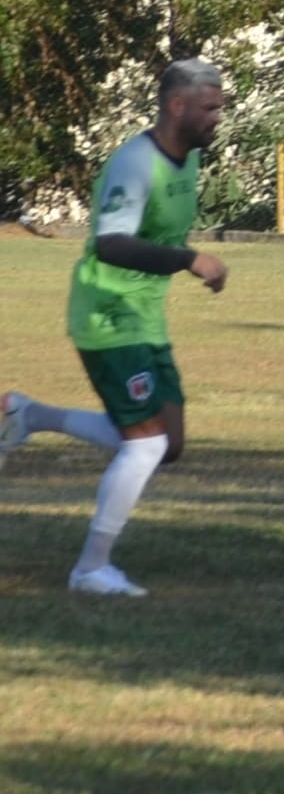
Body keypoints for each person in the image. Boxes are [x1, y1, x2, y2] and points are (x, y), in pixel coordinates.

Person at [0, 59, 231, 596]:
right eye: (209, 107)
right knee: (145, 445)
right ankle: (91, 569)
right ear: (177, 105)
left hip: (145, 317)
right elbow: (110, 243)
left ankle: (27, 415)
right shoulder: (135, 163)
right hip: (107, 314)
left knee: (167, 443)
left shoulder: (188, 159)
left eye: (220, 107)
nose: (217, 117)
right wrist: (188, 259)